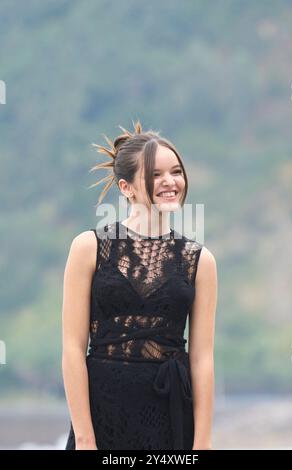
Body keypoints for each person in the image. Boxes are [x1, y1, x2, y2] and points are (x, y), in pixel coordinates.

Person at [62, 120, 217, 450]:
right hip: (103, 413)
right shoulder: (89, 247)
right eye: (156, 174)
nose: (170, 182)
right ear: (126, 187)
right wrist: (85, 438)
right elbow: (73, 350)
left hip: (170, 413)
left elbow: (203, 360)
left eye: (176, 171)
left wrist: (202, 444)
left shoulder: (200, 260)